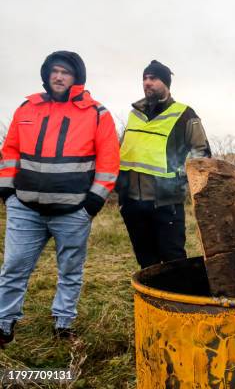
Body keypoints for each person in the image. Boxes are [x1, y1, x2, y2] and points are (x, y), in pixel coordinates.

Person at [0, 51, 119, 344]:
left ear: (76, 77)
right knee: (13, 268)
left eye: (65, 72)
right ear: (46, 75)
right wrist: (7, 193)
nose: (59, 76)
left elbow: (108, 161)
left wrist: (92, 203)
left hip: (73, 212)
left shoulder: (97, 113)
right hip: (25, 209)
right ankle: (4, 324)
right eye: (54, 71)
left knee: (70, 271)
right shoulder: (27, 107)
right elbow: (11, 150)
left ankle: (63, 324)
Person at [116, 60, 211, 269]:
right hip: (132, 204)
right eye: (145, 78)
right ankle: (151, 301)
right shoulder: (134, 115)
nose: (147, 83)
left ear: (166, 84)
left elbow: (202, 155)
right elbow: (124, 151)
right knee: (146, 262)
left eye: (153, 78)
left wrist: (183, 182)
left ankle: (178, 300)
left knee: (173, 260)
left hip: (166, 204)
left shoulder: (185, 114)